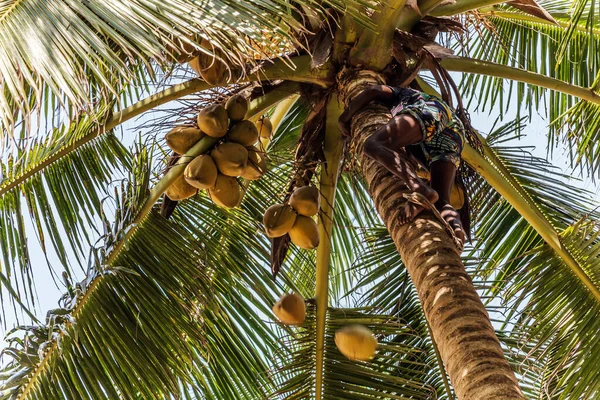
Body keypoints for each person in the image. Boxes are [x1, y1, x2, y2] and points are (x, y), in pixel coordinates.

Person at [339, 85, 466, 246]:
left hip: (430, 111)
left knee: (373, 145)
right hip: (454, 132)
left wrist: (344, 118)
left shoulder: (401, 93)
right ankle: (456, 229)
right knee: (442, 200)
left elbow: (374, 90)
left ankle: (420, 189)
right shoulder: (404, 108)